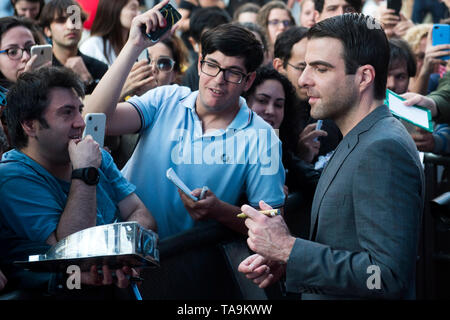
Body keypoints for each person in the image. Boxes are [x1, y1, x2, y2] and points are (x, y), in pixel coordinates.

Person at [238, 13, 424, 299]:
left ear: (363, 77)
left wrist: (289, 249)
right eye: (305, 67)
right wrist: (289, 260)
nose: (303, 80)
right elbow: (347, 247)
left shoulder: (382, 149)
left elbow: (386, 276)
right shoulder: (363, 135)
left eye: (320, 69)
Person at [85, 0, 285, 240]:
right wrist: (133, 46)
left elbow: (272, 220)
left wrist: (220, 211)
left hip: (181, 264)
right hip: (116, 246)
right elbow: (96, 120)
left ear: (249, 81)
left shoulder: (263, 138)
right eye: (212, 65)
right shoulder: (166, 98)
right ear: (199, 65)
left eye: (233, 73)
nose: (219, 80)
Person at [0, 66, 156, 297]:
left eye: (79, 111)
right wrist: (84, 172)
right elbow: (73, 252)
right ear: (30, 125)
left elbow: (142, 214)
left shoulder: (95, 155)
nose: (80, 123)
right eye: (66, 113)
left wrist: (122, 258)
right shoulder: (12, 177)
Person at [39, 0, 108, 95]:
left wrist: (88, 82)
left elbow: (106, 106)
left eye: (75, 20)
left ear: (82, 27)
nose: (71, 26)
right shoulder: (40, 68)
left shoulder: (99, 67)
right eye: (61, 21)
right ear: (47, 30)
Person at [180, 6, 231, 91]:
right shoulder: (185, 82)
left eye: (223, 43)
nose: (217, 51)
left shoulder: (236, 73)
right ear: (194, 43)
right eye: (209, 44)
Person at [80, 0, 140, 66]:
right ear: (114, 9)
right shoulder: (92, 46)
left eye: (138, 9)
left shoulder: (135, 43)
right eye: (133, 8)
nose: (138, 14)